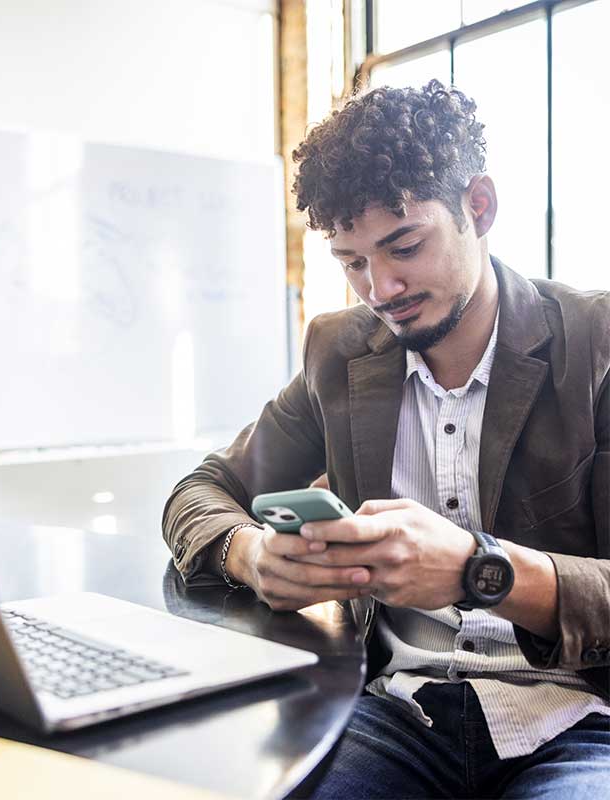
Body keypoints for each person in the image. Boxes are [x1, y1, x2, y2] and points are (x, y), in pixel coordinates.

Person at [162, 80, 610, 797]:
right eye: (352, 261)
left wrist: (479, 571)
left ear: (480, 206)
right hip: (399, 711)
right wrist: (249, 554)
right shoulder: (339, 355)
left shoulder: (597, 344)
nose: (381, 287)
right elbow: (201, 491)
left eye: (404, 245)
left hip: (581, 717)